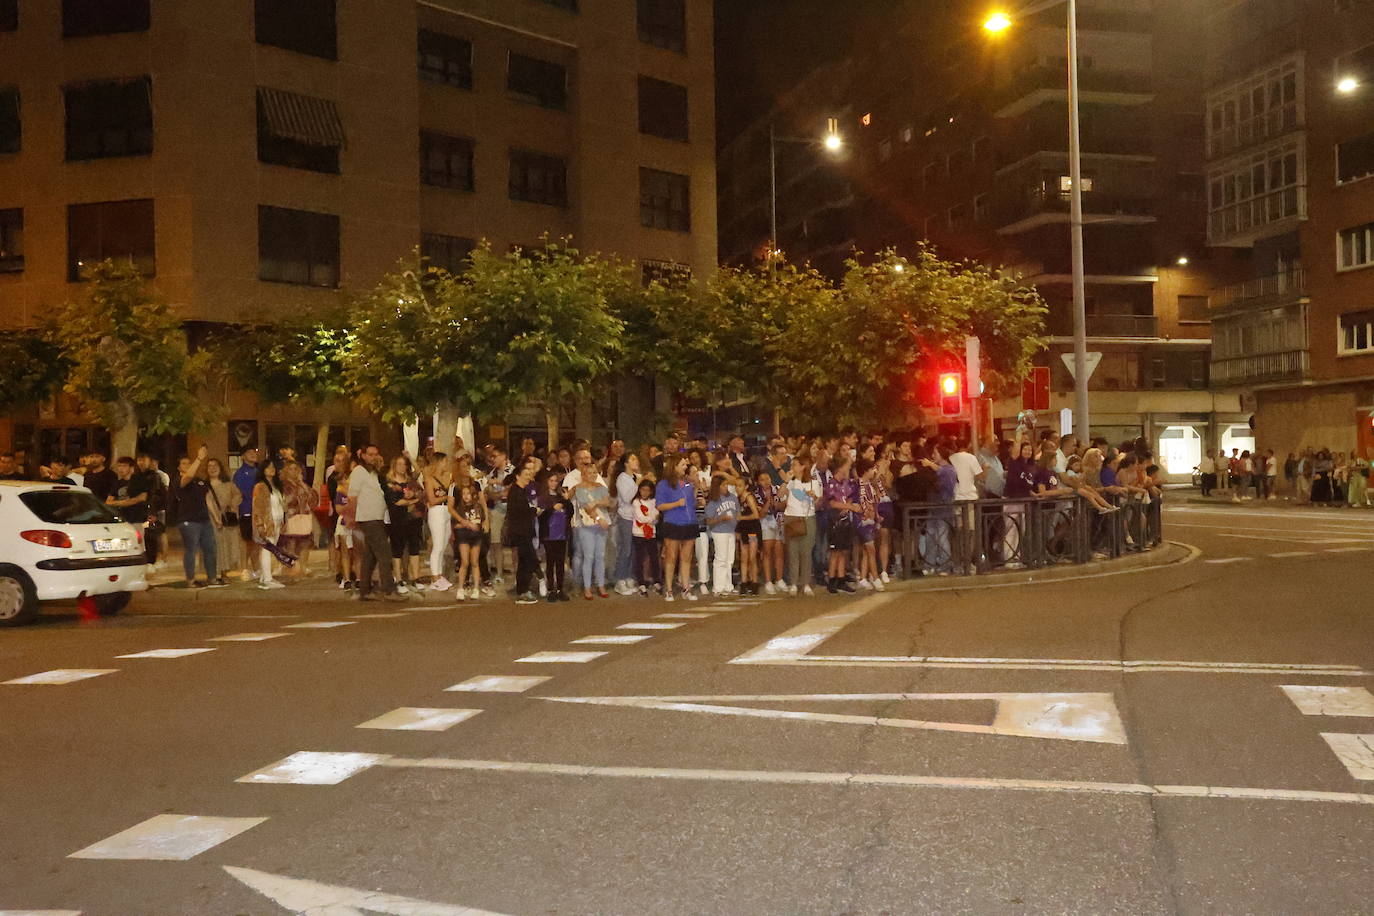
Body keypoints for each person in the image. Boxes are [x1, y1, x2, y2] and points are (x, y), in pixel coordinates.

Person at [347, 445, 404, 602]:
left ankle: (365, 590)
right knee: (384, 553)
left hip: (377, 517)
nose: (373, 457)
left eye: (376, 454)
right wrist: (351, 518)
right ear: (363, 455)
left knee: (370, 556)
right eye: (370, 454)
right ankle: (388, 589)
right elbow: (352, 496)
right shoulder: (359, 472)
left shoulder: (373, 473)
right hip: (368, 517)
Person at [569, 450, 612, 600]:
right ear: (583, 474)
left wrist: (597, 502)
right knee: (588, 556)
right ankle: (587, 587)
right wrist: (599, 518)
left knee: (600, 556)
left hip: (602, 525)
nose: (592, 475)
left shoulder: (600, 486)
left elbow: (608, 501)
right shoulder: (579, 489)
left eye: (594, 472)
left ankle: (600, 584)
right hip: (587, 526)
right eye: (589, 473)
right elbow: (587, 507)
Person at [655, 456, 699, 601]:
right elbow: (659, 505)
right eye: (682, 464)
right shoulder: (663, 484)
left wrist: (696, 490)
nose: (685, 467)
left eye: (685, 465)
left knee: (686, 557)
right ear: (674, 466)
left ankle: (686, 588)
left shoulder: (687, 483)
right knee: (671, 557)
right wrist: (675, 504)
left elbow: (691, 502)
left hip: (690, 522)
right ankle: (668, 589)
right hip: (673, 523)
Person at [782, 451, 822, 596]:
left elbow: (818, 503)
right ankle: (793, 583)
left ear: (803, 467)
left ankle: (806, 583)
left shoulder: (813, 482)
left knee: (806, 552)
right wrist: (787, 481)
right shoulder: (791, 482)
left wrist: (814, 496)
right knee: (792, 551)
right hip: (791, 517)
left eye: (795, 465)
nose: (792, 467)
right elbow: (780, 495)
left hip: (808, 518)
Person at [384, 455, 425, 594]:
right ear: (394, 465)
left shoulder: (410, 481)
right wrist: (413, 501)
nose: (402, 467)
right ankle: (399, 578)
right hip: (398, 520)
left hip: (413, 519)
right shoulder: (390, 483)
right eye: (399, 464)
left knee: (414, 547)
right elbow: (396, 502)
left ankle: (416, 577)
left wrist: (410, 457)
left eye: (404, 464)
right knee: (397, 550)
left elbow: (419, 470)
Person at [505, 457, 541, 604]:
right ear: (518, 476)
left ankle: (523, 590)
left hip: (523, 531)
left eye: (529, 474)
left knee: (525, 561)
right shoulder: (516, 491)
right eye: (525, 474)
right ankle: (525, 589)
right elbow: (521, 511)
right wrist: (534, 510)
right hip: (520, 532)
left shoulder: (520, 491)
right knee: (529, 560)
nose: (528, 477)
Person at [251, 460, 290, 589]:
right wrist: (261, 525)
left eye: (273, 467)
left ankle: (265, 577)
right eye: (268, 467)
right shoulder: (260, 486)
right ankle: (267, 579)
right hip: (268, 523)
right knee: (267, 549)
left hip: (277, 521)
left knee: (270, 548)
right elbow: (257, 507)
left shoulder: (276, 486)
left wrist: (283, 520)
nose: (271, 469)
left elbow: (281, 505)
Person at [824, 457, 860, 593]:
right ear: (840, 468)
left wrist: (848, 504)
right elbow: (832, 503)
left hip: (845, 521)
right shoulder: (831, 484)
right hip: (835, 522)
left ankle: (840, 578)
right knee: (835, 552)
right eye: (847, 467)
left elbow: (851, 495)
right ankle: (832, 580)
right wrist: (849, 506)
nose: (848, 470)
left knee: (844, 551)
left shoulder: (845, 483)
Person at [537, 469, 571, 602]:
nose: (553, 483)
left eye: (555, 481)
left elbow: (570, 512)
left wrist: (566, 500)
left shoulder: (561, 496)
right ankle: (551, 588)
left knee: (560, 562)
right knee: (550, 562)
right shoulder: (543, 498)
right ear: (546, 482)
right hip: (549, 534)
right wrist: (552, 509)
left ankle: (560, 589)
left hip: (562, 534)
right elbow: (541, 516)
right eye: (551, 481)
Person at [205, 458, 240, 585]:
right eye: (209, 466)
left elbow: (238, 495)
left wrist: (231, 505)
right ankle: (212, 574)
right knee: (214, 546)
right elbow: (206, 502)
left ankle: (224, 573)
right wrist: (215, 517)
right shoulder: (205, 485)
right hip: (210, 520)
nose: (212, 468)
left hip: (226, 519)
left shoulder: (228, 484)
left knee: (227, 546)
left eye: (215, 465)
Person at [449, 482, 486, 602]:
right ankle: (460, 588)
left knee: (474, 562)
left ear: (473, 495)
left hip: (476, 537)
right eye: (463, 493)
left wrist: (477, 525)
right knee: (464, 562)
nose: (465, 496)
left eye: (468, 493)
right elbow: (455, 525)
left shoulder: (478, 507)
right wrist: (468, 524)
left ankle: (476, 588)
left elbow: (481, 522)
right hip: (463, 536)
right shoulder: (459, 508)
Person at [704, 473, 740, 596]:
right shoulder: (713, 502)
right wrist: (721, 518)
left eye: (727, 485)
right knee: (721, 558)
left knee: (730, 559)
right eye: (724, 485)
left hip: (731, 530)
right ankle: (718, 587)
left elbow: (737, 514)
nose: (726, 487)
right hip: (719, 531)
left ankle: (728, 586)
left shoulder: (733, 498)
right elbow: (709, 521)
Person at [278, 461, 316, 577]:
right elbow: (283, 501)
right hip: (290, 516)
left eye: (296, 469)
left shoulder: (302, 484)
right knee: (290, 543)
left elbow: (313, 497)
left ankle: (304, 566)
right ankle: (290, 567)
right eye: (291, 469)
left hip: (304, 516)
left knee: (305, 542)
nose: (294, 471)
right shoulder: (283, 485)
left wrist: (302, 485)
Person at [421, 452, 453, 591]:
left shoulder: (448, 477)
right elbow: (432, 499)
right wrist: (447, 496)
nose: (446, 464)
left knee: (444, 544)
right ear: (439, 462)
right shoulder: (429, 479)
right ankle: (434, 577)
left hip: (447, 511)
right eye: (445, 461)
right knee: (438, 545)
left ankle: (440, 575)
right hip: (436, 512)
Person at [613, 453, 641, 595]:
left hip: (637, 518)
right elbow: (627, 497)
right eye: (633, 459)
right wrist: (638, 484)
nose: (636, 461)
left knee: (634, 549)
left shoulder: (635, 477)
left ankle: (629, 576)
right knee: (626, 548)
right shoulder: (622, 478)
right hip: (626, 518)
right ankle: (620, 579)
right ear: (626, 463)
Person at [233, 448, 261, 581]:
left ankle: (257, 569)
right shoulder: (240, 474)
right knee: (246, 542)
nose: (253, 455)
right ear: (243, 456)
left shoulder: (259, 472)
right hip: (246, 511)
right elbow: (240, 494)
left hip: (259, 512)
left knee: (257, 542)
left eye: (254, 452)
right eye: (249, 453)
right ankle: (244, 569)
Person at [854, 459, 882, 591]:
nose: (874, 471)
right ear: (866, 471)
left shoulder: (869, 485)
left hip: (870, 520)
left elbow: (874, 501)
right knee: (871, 548)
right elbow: (859, 502)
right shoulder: (858, 486)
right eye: (872, 469)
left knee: (866, 550)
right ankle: (875, 578)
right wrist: (866, 511)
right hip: (862, 521)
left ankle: (863, 578)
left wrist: (876, 515)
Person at [630, 478, 661, 595]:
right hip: (638, 533)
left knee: (654, 558)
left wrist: (652, 519)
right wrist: (652, 518)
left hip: (651, 533)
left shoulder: (654, 501)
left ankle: (657, 580)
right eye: (643, 490)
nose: (645, 493)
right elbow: (640, 517)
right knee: (639, 558)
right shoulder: (636, 502)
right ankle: (641, 582)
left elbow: (657, 514)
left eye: (648, 490)